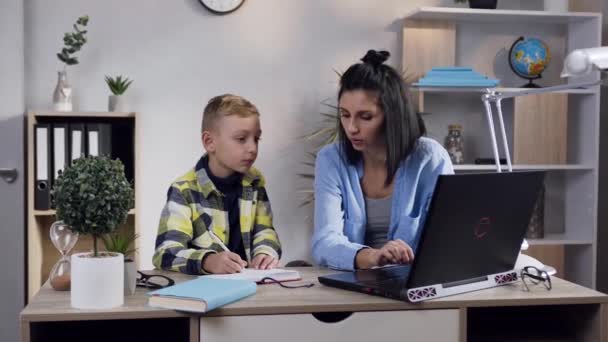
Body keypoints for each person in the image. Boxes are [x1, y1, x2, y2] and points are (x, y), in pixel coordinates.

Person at [312, 50, 454, 271]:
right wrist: (372, 256)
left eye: (365, 117)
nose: (351, 128)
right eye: (345, 114)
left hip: (414, 280)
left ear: (392, 115)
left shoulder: (430, 159)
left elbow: (444, 238)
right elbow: (324, 242)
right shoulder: (331, 159)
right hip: (354, 278)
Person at [153, 94, 282, 274]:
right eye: (241, 139)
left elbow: (265, 230)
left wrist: (265, 253)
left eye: (256, 139)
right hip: (202, 291)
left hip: (248, 285)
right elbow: (165, 252)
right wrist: (207, 261)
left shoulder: (255, 183)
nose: (252, 148)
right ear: (209, 142)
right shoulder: (183, 190)